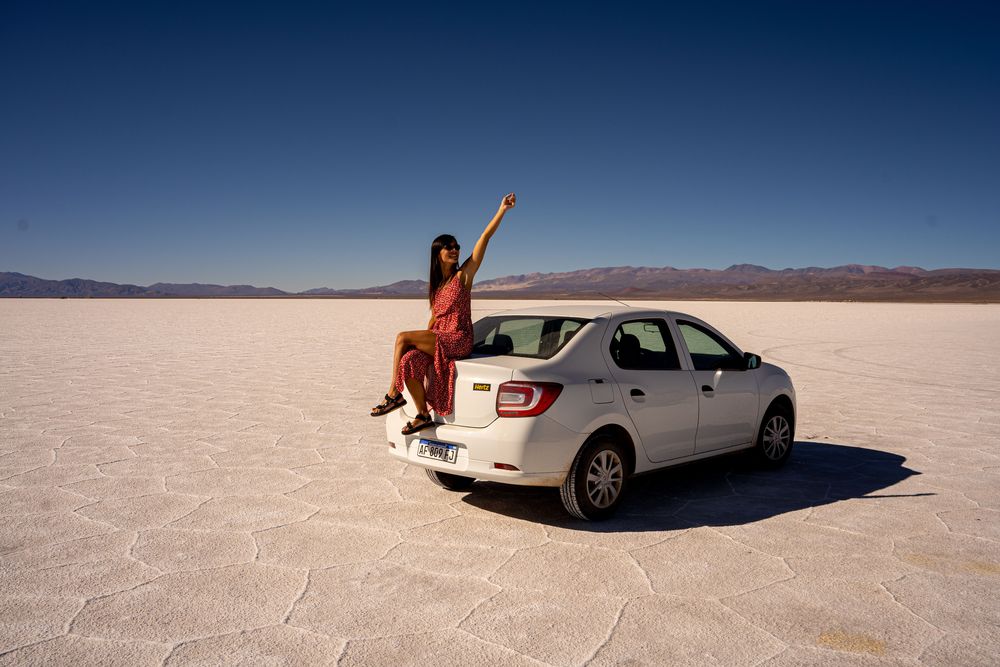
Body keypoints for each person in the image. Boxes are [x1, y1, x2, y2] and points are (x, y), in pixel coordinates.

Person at [370, 193, 516, 434]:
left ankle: (393, 394)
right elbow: (435, 319)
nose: (455, 249)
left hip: (458, 339)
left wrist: (502, 210)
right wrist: (424, 344)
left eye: (457, 246)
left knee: (402, 338)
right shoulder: (438, 287)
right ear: (438, 253)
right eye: (449, 247)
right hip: (440, 339)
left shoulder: (463, 277)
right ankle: (422, 414)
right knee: (409, 360)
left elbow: (484, 238)